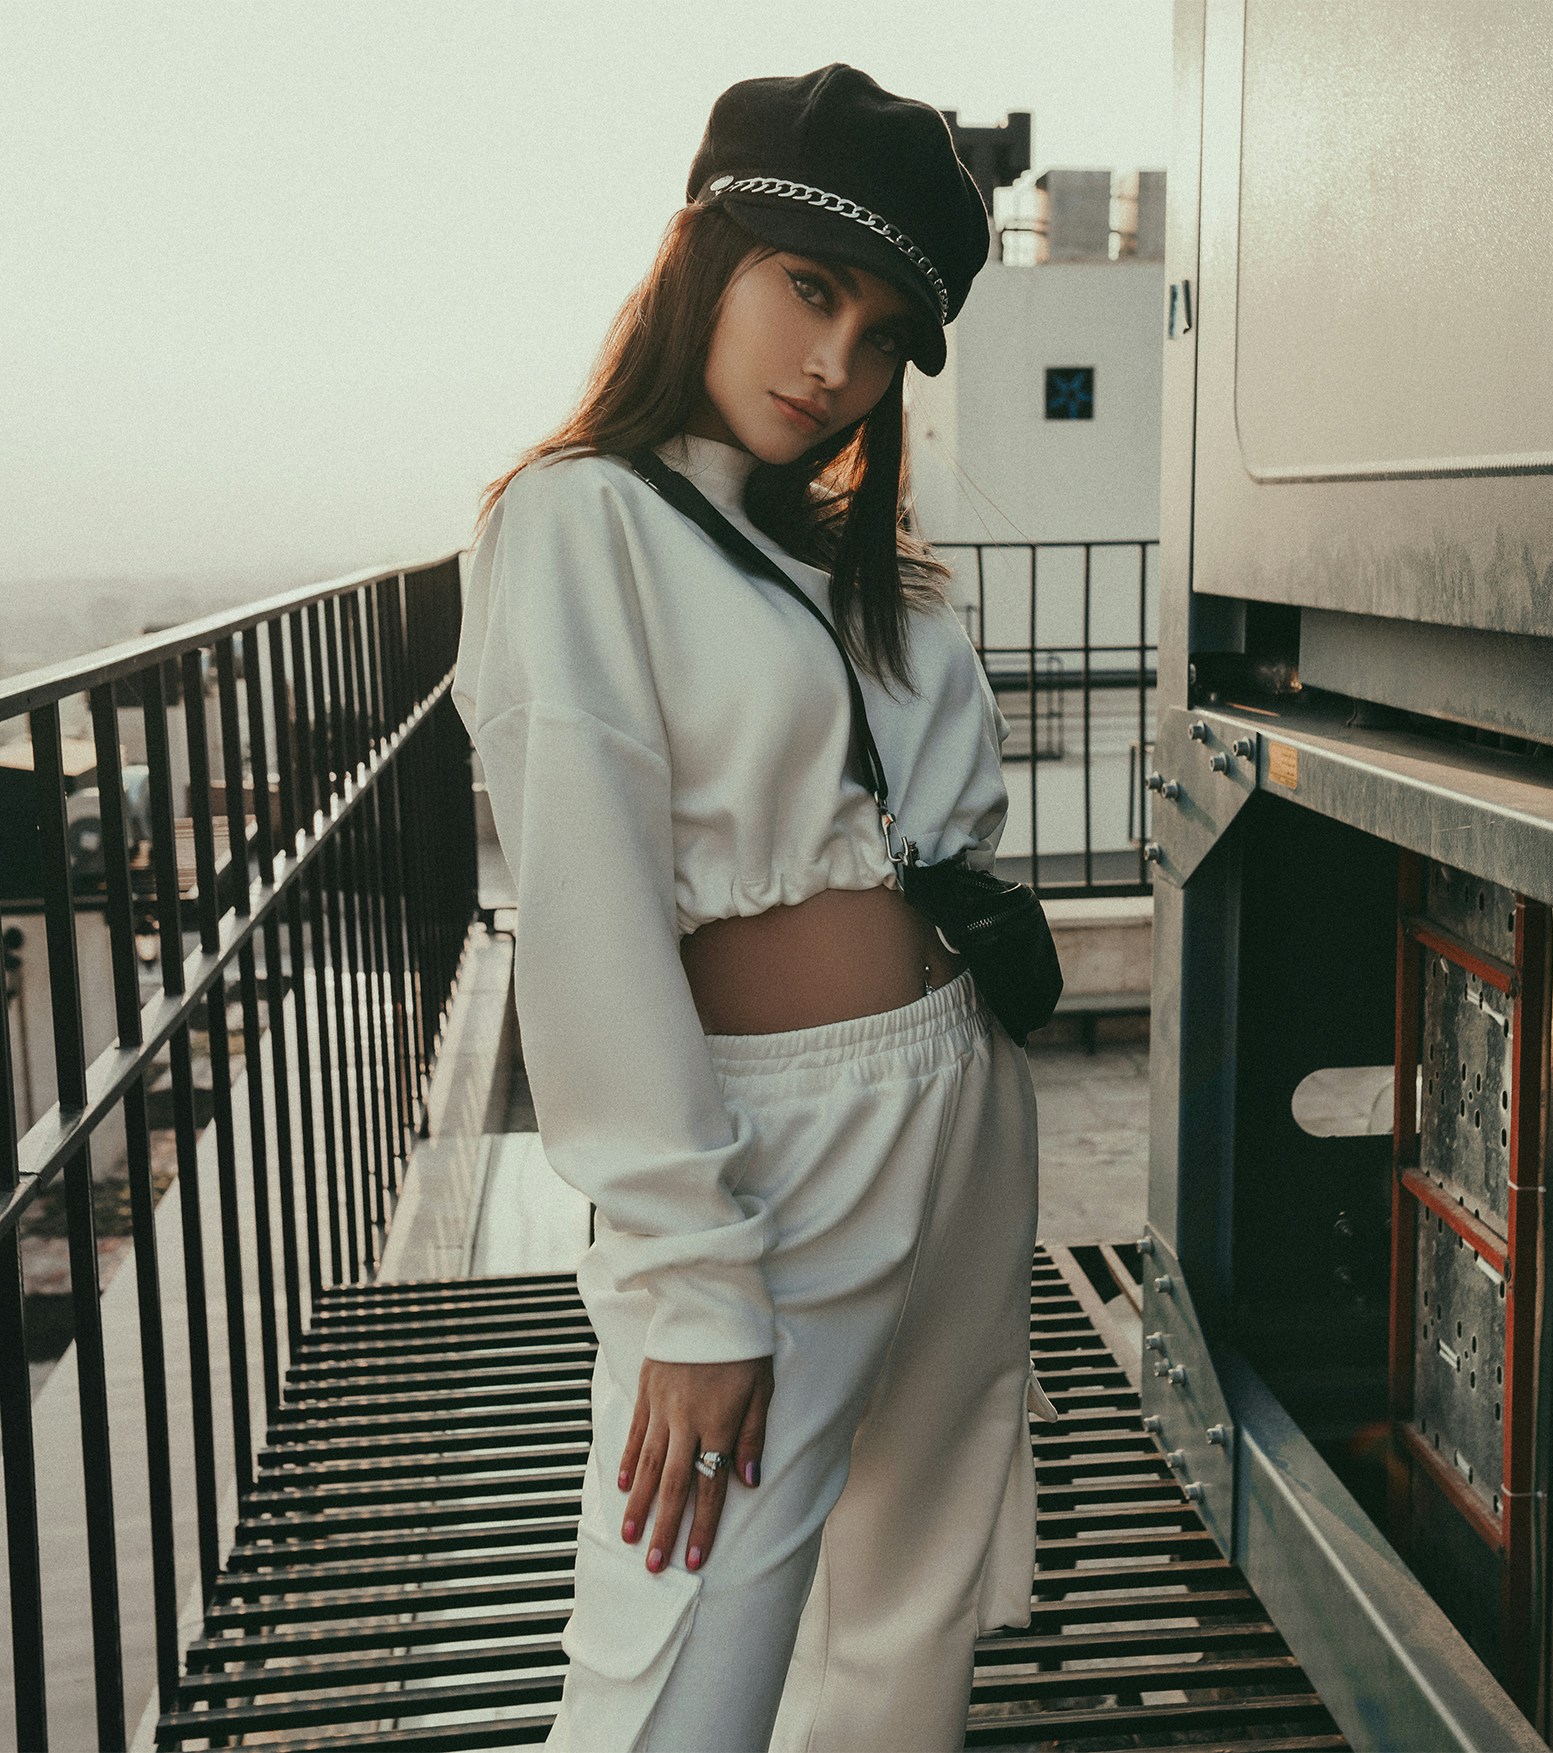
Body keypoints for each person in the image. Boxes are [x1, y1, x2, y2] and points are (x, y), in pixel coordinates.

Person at [450, 63, 1042, 1753]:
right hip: (778, 1149)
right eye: (809, 290)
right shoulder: (580, 520)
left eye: (879, 339)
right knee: (685, 1648)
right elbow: (584, 923)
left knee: (910, 1618)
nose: (832, 368)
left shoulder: (832, 556)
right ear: (702, 251)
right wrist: (693, 1279)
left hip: (957, 1091)